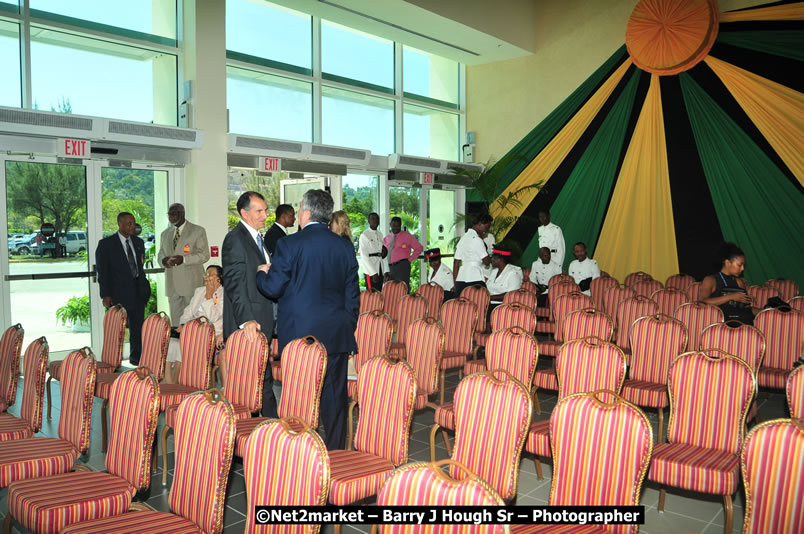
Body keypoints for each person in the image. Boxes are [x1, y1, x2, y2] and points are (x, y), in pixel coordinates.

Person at [256, 189, 360, 450]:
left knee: (300, 397)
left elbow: (273, 288)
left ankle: (300, 455)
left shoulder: (289, 244)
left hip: (300, 337)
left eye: (300, 207)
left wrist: (261, 273)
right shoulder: (344, 246)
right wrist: (347, 325)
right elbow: (352, 295)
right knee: (334, 398)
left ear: (306, 212)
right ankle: (334, 454)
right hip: (336, 334)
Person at [222, 191, 277, 417]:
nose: (265, 215)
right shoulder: (235, 239)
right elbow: (234, 284)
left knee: (262, 383)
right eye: (259, 211)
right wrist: (246, 320)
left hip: (261, 319)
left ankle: (266, 439)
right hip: (248, 324)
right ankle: (263, 439)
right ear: (244, 213)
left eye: (265, 210)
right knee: (250, 388)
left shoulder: (256, 238)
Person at [96, 212, 151, 365]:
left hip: (138, 291)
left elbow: (140, 266)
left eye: (133, 223)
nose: (132, 226)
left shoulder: (139, 242)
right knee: (117, 329)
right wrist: (105, 295)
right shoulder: (106, 244)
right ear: (119, 224)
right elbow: (103, 272)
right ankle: (113, 361)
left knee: (137, 327)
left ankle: (136, 359)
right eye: (128, 223)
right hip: (118, 293)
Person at [165, 265, 224, 385]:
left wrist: (209, 295)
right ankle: (170, 384)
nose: (206, 277)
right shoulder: (199, 291)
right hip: (191, 333)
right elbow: (187, 313)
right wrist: (184, 325)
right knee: (171, 344)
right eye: (206, 274)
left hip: (211, 334)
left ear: (219, 279)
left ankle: (178, 384)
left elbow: (212, 318)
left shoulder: (224, 294)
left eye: (211, 274)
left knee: (183, 346)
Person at [158, 203, 210, 327]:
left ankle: (193, 345)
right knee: (176, 324)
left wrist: (184, 259)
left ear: (182, 213)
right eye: (169, 214)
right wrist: (163, 261)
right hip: (172, 285)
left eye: (173, 214)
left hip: (191, 284)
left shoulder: (197, 231)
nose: (171, 217)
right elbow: (161, 253)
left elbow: (204, 255)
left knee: (193, 321)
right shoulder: (165, 234)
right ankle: (178, 345)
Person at [700, 243, 759, 325]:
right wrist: (731, 297)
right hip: (720, 321)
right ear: (727, 263)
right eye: (739, 265)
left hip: (740, 318)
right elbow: (703, 301)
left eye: (743, 266)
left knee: (766, 313)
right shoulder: (711, 280)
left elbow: (745, 308)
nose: (742, 269)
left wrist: (747, 301)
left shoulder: (739, 282)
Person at [454, 214, 492, 295]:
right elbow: (487, 261)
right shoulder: (477, 240)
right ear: (480, 224)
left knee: (462, 306)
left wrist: (455, 283)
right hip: (475, 278)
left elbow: (456, 263)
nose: (486, 231)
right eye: (486, 228)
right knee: (481, 304)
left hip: (461, 279)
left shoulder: (463, 238)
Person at [383, 216, 423, 291]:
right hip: (389, 267)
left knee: (403, 289)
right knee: (390, 290)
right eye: (394, 225)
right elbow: (384, 254)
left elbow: (419, 248)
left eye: (398, 225)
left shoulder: (407, 236)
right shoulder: (386, 238)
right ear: (390, 225)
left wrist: (409, 260)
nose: (396, 227)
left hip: (402, 266)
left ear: (400, 225)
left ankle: (405, 302)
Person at [358, 212, 387, 291]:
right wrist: (373, 272)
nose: (375, 221)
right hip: (370, 270)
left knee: (379, 294)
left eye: (377, 219)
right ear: (369, 221)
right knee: (371, 296)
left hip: (380, 268)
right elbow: (364, 257)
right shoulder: (364, 235)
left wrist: (386, 271)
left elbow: (383, 253)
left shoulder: (380, 234)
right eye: (373, 219)